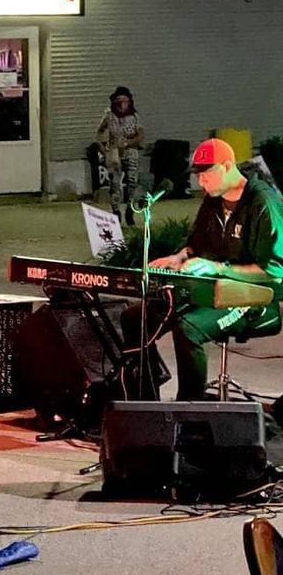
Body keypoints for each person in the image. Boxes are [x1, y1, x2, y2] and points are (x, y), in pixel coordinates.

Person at [120, 138, 283, 400]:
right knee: (134, 318)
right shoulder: (213, 199)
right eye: (198, 175)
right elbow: (196, 245)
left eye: (206, 174)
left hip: (253, 298)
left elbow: (274, 273)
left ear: (228, 166)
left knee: (188, 328)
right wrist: (179, 257)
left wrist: (217, 267)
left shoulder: (263, 202)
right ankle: (145, 404)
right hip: (208, 291)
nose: (201, 182)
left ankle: (190, 409)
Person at [96, 86, 145, 225]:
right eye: (118, 100)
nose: (122, 103)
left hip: (131, 152)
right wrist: (103, 148)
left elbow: (141, 134)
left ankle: (130, 210)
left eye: (125, 100)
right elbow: (99, 132)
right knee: (115, 183)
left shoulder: (134, 116)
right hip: (114, 152)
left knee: (132, 182)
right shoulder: (109, 115)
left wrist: (129, 142)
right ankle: (116, 211)